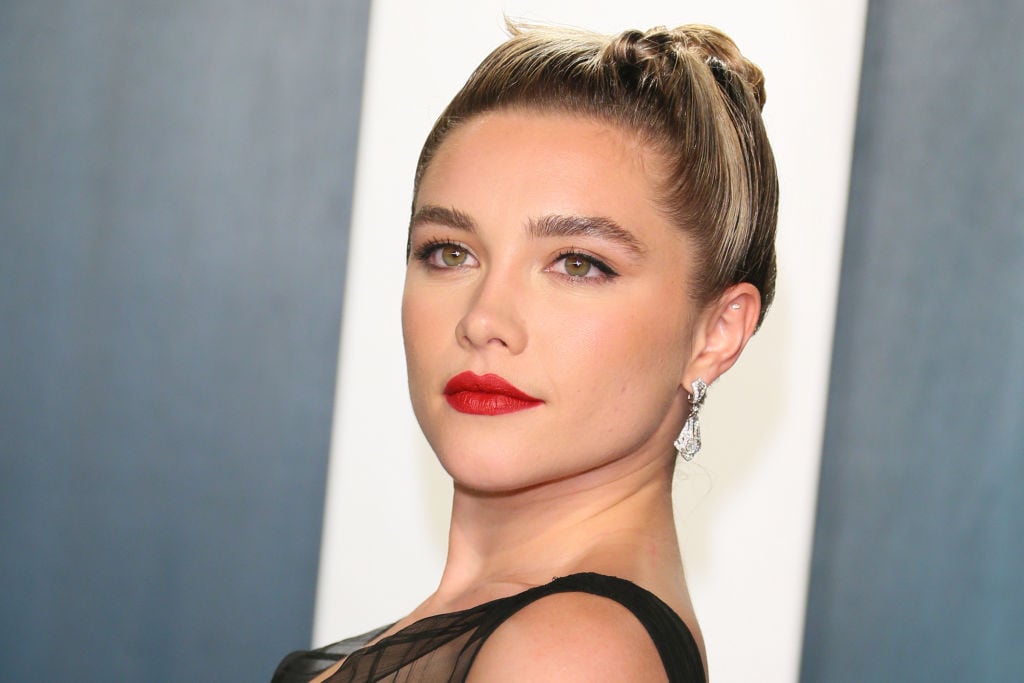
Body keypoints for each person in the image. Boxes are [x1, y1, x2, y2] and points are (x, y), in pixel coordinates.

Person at [274, 20, 777, 683]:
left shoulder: (568, 655)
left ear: (716, 333)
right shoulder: (515, 630)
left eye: (578, 264)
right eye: (450, 252)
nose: (484, 319)